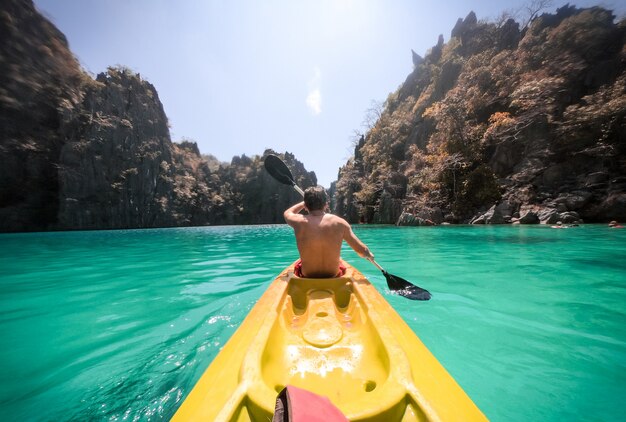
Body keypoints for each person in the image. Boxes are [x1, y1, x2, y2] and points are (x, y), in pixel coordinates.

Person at [284, 186, 373, 278]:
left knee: (298, 264)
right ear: (326, 204)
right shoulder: (340, 223)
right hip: (333, 275)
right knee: (340, 261)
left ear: (306, 206)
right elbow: (361, 251)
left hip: (307, 275)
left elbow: (288, 213)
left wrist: (303, 203)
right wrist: (369, 254)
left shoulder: (298, 222)